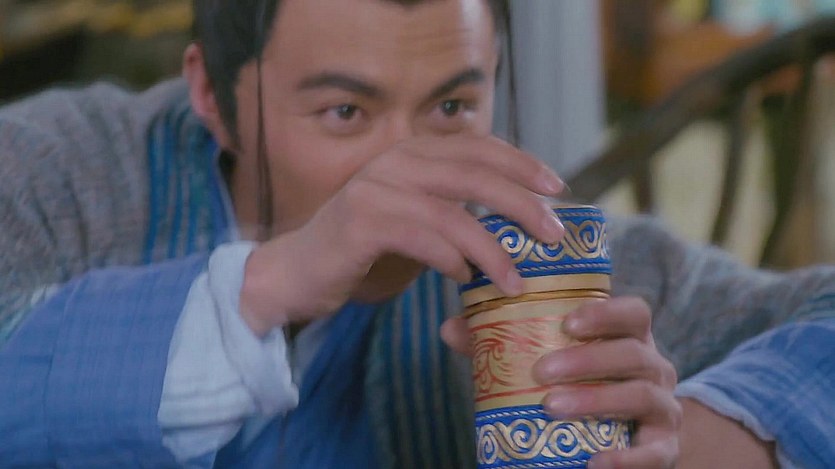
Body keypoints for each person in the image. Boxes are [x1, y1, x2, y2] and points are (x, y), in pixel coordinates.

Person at [0, 0, 831, 467]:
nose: (409, 171)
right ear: (210, 96)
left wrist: (699, 439)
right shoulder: (59, 172)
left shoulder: (530, 252)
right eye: (344, 112)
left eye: (452, 106)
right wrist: (269, 284)